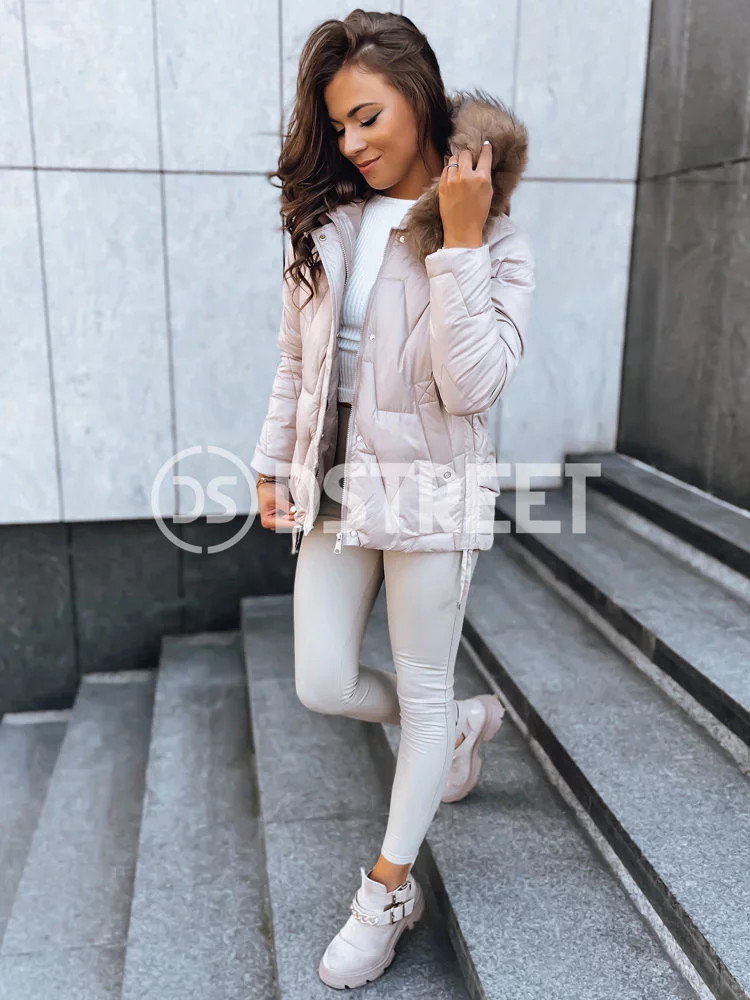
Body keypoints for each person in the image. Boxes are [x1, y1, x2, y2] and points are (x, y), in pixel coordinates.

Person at [250, 9, 535, 990]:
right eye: (338, 126)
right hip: (335, 484)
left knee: (419, 688)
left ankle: (388, 892)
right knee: (322, 682)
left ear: (419, 99)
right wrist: (272, 461)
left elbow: (472, 385)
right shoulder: (330, 223)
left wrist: (460, 244)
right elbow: (297, 361)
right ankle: (450, 728)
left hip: (430, 494)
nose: (352, 143)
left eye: (367, 118)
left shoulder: (499, 243)